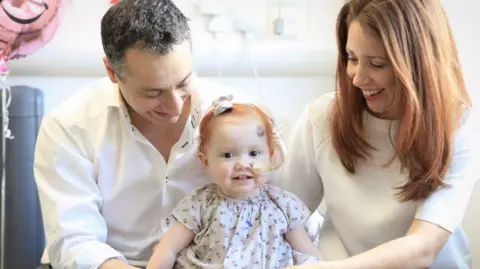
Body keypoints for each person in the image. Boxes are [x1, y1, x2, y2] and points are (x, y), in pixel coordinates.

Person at [33, 1, 265, 268]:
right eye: (153, 93)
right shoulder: (70, 126)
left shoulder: (242, 116)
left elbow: (278, 200)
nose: (176, 107)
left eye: (184, 83)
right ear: (112, 72)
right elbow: (76, 242)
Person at [279, 0, 480, 268]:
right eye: (352, 58)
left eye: (377, 64)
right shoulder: (322, 117)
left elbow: (422, 247)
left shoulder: (457, 125)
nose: (358, 78)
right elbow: (282, 215)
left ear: (418, 65)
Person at [147, 96, 322, 269]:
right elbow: (168, 248)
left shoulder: (283, 205)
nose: (243, 164)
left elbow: (309, 254)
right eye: (228, 155)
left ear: (269, 157)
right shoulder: (200, 203)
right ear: (206, 161)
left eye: (253, 153)